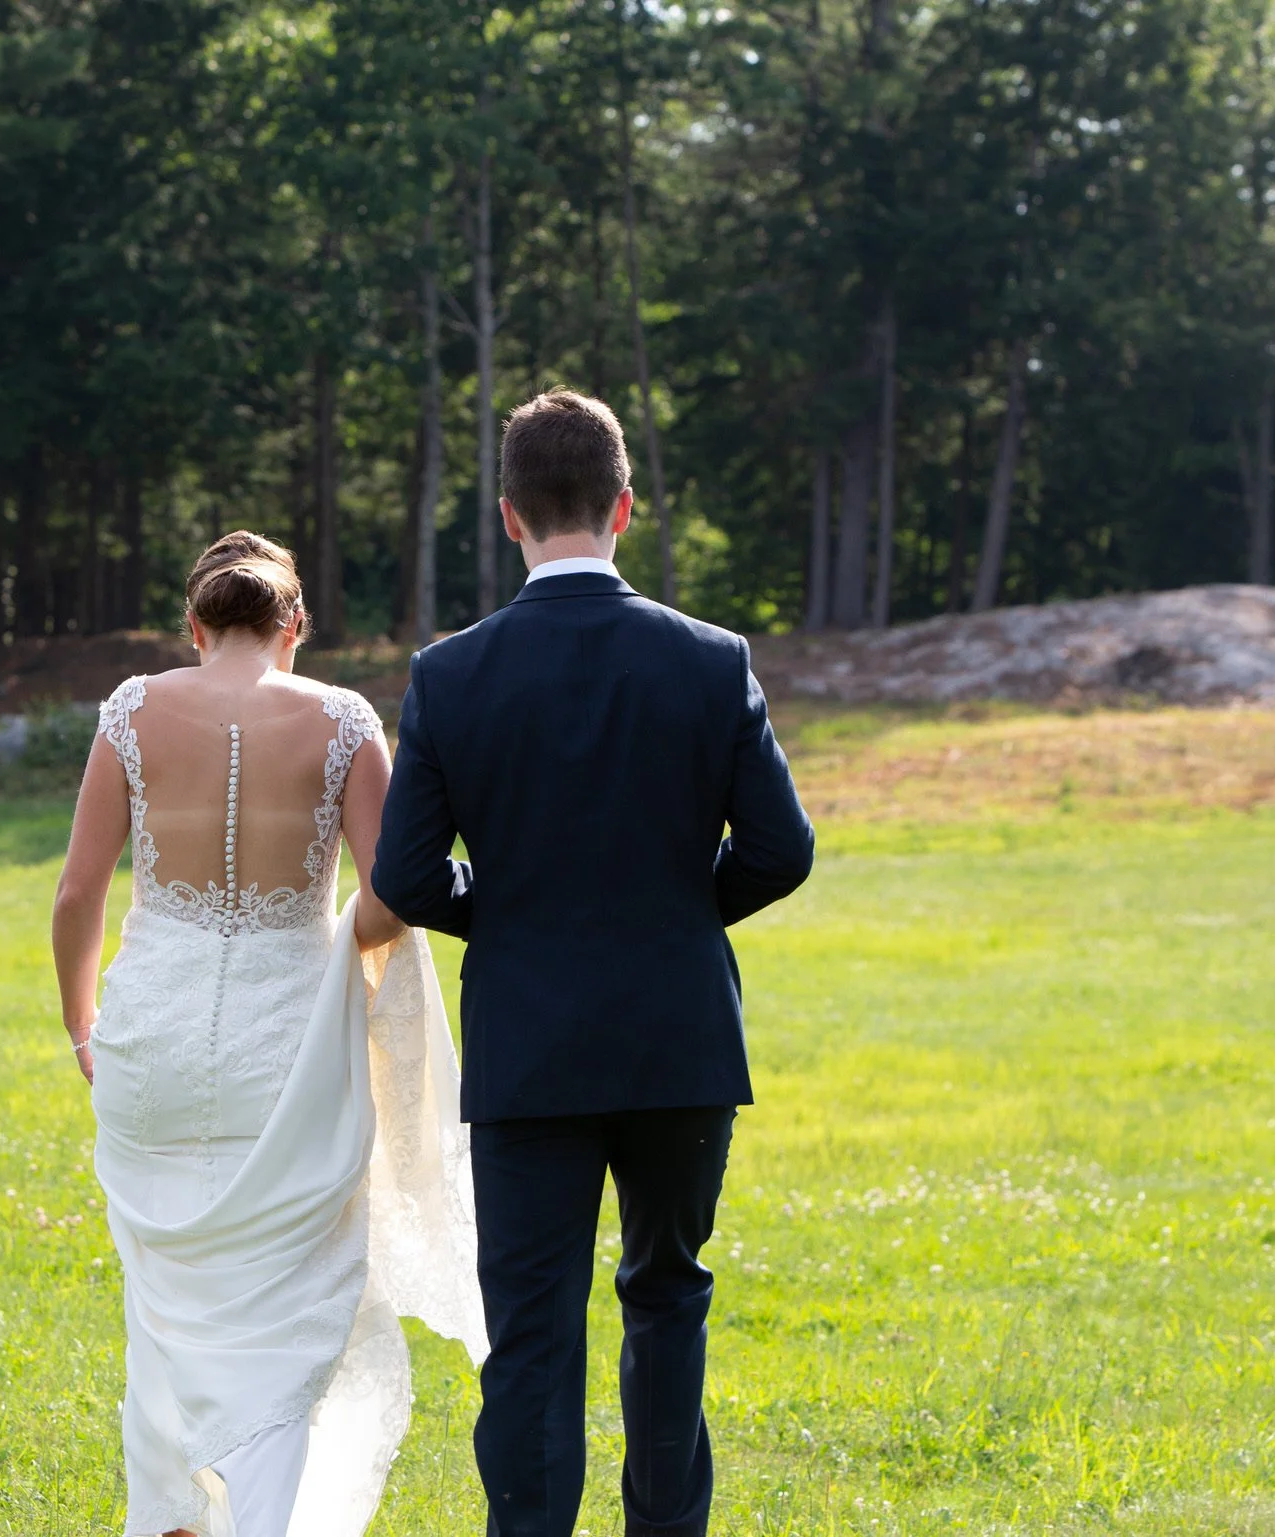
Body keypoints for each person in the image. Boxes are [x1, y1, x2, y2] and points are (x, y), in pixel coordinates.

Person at [373, 391, 817, 1536]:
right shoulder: (712, 661)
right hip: (677, 1036)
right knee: (668, 1298)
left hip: (530, 1040)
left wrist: (517, 914)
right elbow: (781, 849)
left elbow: (410, 878)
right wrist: (673, 911)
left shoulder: (449, 673)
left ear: (510, 517)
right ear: (625, 505)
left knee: (532, 1326)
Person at [52, 532, 486, 1537]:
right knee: (293, 1315)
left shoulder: (132, 709)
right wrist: (338, 954)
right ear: (294, 626)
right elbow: (392, 895)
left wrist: (83, 1024)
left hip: (149, 1042)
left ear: (195, 628)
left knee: (163, 1310)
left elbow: (79, 891)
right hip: (288, 1049)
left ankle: (175, 1518)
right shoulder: (341, 719)